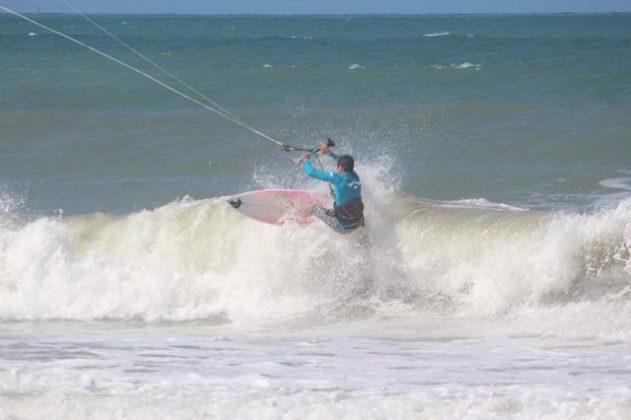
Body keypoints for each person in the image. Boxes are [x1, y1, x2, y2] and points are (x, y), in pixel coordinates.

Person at [299, 140, 365, 233]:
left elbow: (311, 172)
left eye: (338, 166)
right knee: (334, 194)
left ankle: (297, 216)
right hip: (358, 222)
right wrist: (329, 153)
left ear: (341, 168)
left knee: (314, 208)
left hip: (342, 227)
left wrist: (306, 160)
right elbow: (342, 161)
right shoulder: (355, 176)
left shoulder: (337, 178)